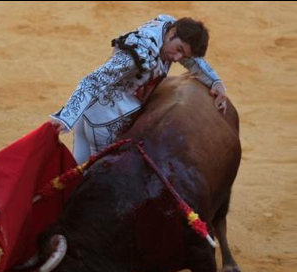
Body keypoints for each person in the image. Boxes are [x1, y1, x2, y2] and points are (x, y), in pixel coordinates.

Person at [49, 15, 227, 164]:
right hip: (105, 123)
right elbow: (94, 81)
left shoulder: (168, 29)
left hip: (92, 116)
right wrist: (66, 117)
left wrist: (215, 82)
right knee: (99, 180)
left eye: (183, 55)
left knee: (76, 172)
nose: (177, 58)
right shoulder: (138, 52)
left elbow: (191, 60)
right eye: (178, 50)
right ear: (172, 33)